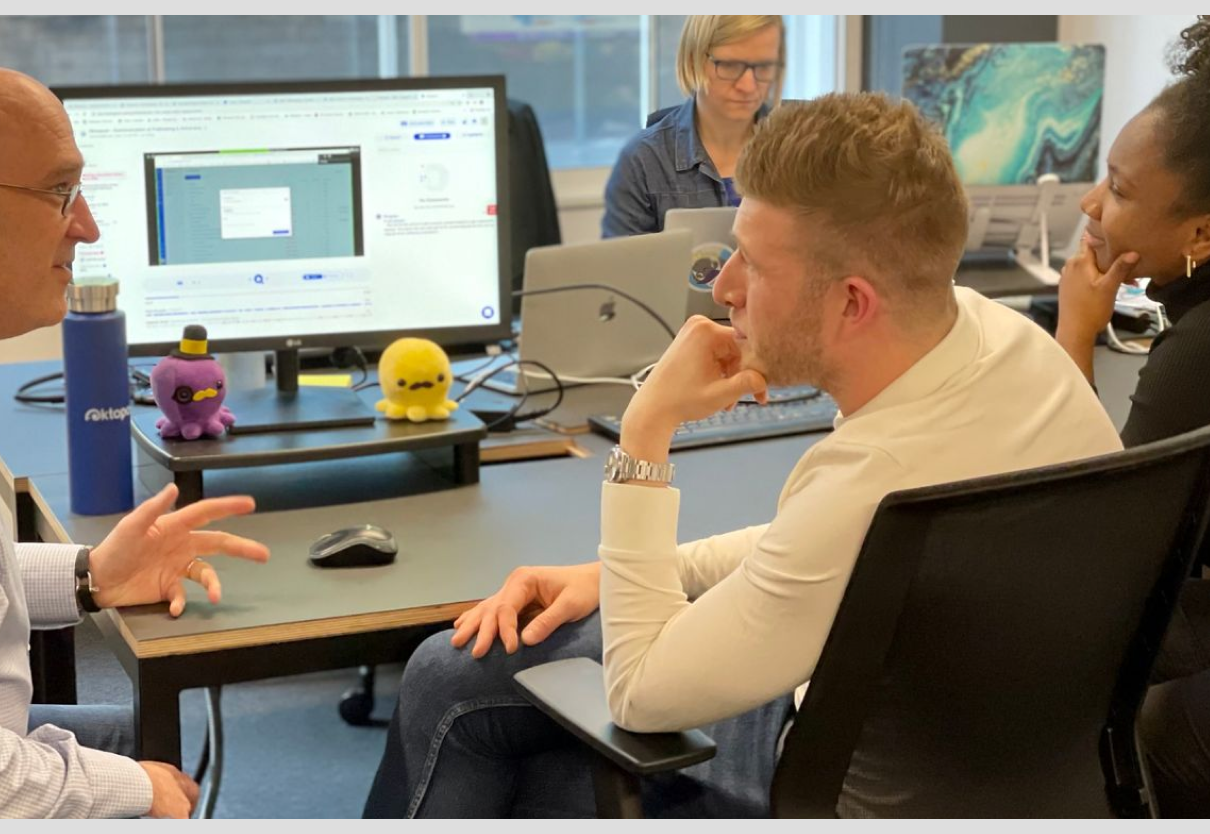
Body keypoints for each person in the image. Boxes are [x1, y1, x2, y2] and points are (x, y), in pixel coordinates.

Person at [364, 91, 1124, 818]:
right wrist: (618, 575)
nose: (723, 286)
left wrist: (645, 431)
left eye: (753, 266)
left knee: (448, 683)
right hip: (997, 764)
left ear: (851, 303)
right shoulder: (1013, 344)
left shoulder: (868, 480)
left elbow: (639, 693)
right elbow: (832, 550)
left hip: (832, 787)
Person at [0, 64, 272, 819]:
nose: (85, 224)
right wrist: (134, 788)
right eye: (60, 191)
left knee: (135, 732)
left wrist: (90, 575)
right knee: (155, 772)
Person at [1054, 15, 1210, 818]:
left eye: (1120, 191)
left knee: (1132, 738)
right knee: (1079, 647)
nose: (1092, 202)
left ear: (1205, 233)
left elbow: (1088, 530)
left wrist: (1076, 329)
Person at [601, 15, 784, 238]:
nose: (748, 86)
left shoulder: (802, 152)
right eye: (729, 65)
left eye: (764, 67)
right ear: (692, 60)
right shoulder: (643, 162)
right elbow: (621, 269)